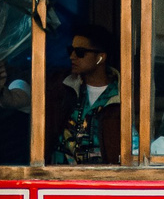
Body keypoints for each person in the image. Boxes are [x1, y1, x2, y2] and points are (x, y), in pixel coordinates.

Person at [51, 31, 125, 166]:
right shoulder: (62, 88)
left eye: (80, 52)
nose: (72, 57)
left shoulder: (123, 96)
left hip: (102, 176)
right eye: (71, 50)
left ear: (100, 57)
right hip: (59, 175)